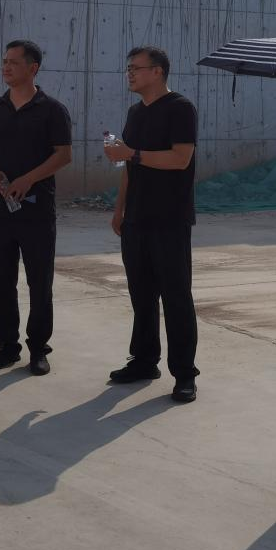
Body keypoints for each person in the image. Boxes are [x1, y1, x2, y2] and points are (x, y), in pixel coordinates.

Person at [103, 46, 200, 403]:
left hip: (169, 218)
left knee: (176, 297)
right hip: (136, 218)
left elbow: (180, 158)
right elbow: (130, 166)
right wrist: (120, 209)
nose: (130, 73)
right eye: (128, 68)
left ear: (157, 71)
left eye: (136, 68)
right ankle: (144, 360)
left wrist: (132, 153)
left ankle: (185, 374)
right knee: (141, 296)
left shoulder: (180, 108)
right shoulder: (135, 112)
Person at [0, 40, 73, 374]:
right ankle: (7, 346)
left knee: (39, 284)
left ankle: (38, 348)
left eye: (14, 62)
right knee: (0, 283)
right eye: (4, 61)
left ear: (33, 68)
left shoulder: (52, 110)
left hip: (36, 212)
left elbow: (63, 155)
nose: (6, 67)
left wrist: (29, 178)